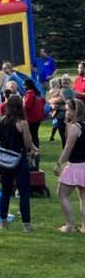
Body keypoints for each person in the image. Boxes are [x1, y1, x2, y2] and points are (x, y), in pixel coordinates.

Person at [0, 94, 37, 232]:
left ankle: (3, 223)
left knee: (5, 192)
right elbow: (27, 144)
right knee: (24, 193)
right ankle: (26, 226)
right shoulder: (22, 123)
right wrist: (32, 147)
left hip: (4, 161)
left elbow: (1, 140)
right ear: (21, 106)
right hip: (19, 161)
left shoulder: (2, 121)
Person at [53, 98, 85, 233]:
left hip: (75, 166)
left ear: (74, 110)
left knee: (62, 193)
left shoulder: (75, 127)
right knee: (83, 198)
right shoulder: (82, 125)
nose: (66, 112)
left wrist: (59, 164)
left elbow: (68, 149)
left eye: (67, 110)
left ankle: (70, 226)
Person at [22, 78, 46, 158]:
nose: (24, 87)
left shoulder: (30, 93)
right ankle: (36, 150)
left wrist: (22, 104)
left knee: (30, 134)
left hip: (31, 117)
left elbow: (27, 106)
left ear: (28, 85)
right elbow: (43, 101)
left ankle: (32, 150)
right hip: (38, 117)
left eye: (25, 85)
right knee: (35, 134)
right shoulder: (38, 93)